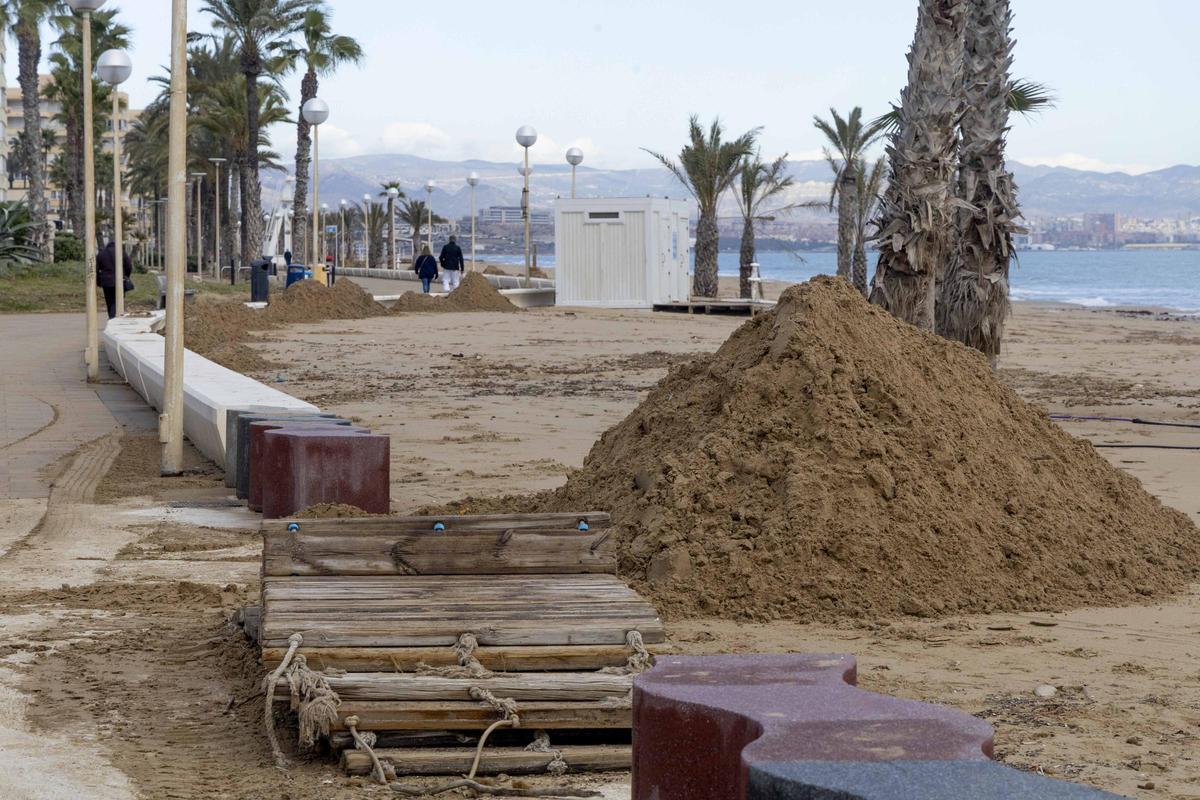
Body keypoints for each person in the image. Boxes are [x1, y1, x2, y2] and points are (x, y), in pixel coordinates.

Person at [96, 240, 132, 319]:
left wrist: (98, 281)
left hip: (106, 281)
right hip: (120, 280)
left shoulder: (101, 254)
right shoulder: (121, 253)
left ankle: (111, 316)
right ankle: (115, 317)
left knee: (109, 300)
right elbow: (129, 265)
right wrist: (126, 276)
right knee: (118, 300)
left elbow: (96, 269)